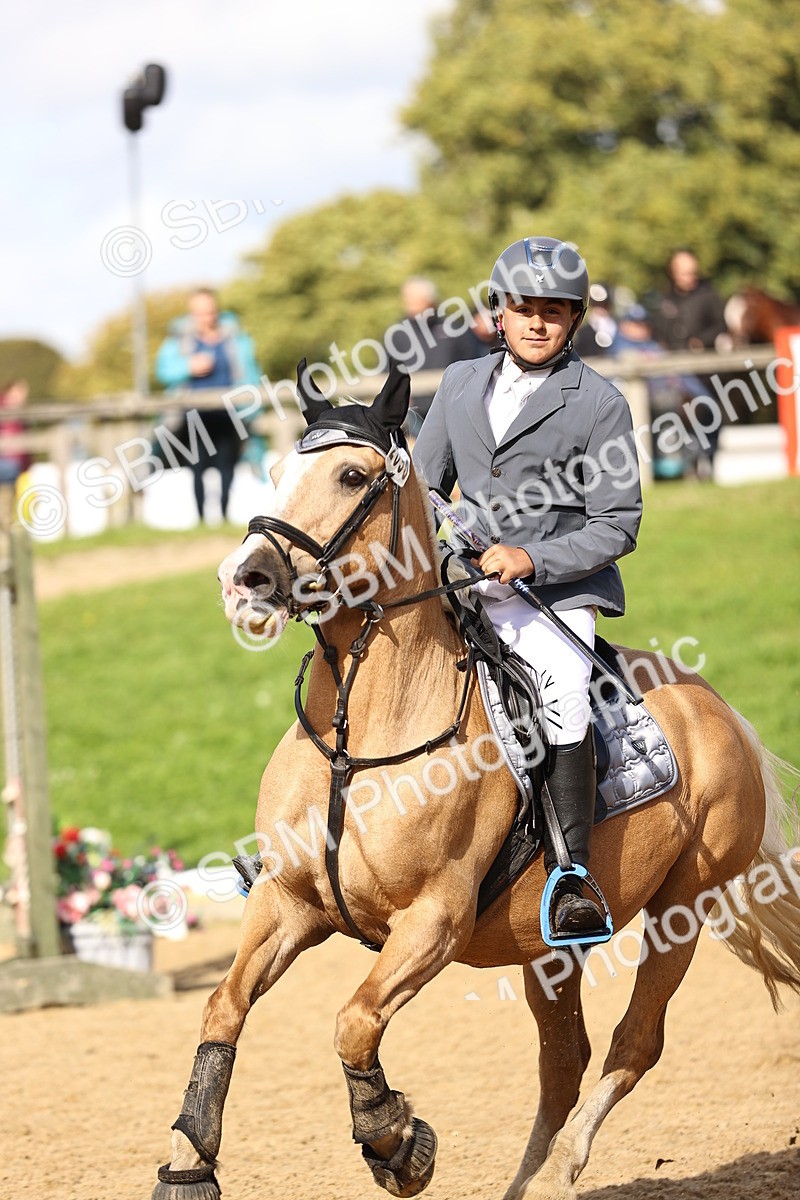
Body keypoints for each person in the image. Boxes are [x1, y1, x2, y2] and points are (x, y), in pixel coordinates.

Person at [413, 237, 642, 939]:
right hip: (466, 583)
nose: (537, 323)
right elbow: (423, 488)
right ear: (498, 313)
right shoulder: (457, 383)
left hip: (557, 595)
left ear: (573, 320)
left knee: (563, 685)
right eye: (524, 309)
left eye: (554, 311)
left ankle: (572, 874)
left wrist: (530, 559)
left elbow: (618, 523)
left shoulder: (599, 401)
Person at [155, 289, 260, 522]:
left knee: (227, 463)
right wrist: (188, 367)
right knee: (198, 465)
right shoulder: (179, 341)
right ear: (192, 314)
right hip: (194, 414)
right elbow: (162, 371)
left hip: (228, 411)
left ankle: (223, 515)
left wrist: (253, 402)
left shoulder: (235, 338)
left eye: (210, 312)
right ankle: (201, 518)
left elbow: (250, 372)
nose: (206, 317)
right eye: (200, 313)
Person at [651, 250, 728, 476]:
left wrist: (701, 341)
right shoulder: (665, 300)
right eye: (685, 272)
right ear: (673, 273)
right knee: (680, 420)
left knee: (710, 415)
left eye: (693, 272)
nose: (690, 277)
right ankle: (689, 467)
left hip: (705, 373)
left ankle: (710, 464)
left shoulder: (709, 295)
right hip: (675, 374)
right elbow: (657, 333)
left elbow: (721, 326)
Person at [386, 277, 476, 438]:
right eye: (408, 300)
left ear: (431, 300)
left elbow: (473, 363)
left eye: (417, 300)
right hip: (413, 412)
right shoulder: (396, 334)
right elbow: (387, 371)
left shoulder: (454, 328)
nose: (411, 305)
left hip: (451, 406)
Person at [0, 379, 32, 486]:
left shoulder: (20, 416)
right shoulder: (5, 411)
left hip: (15, 465)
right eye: (18, 393)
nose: (21, 398)